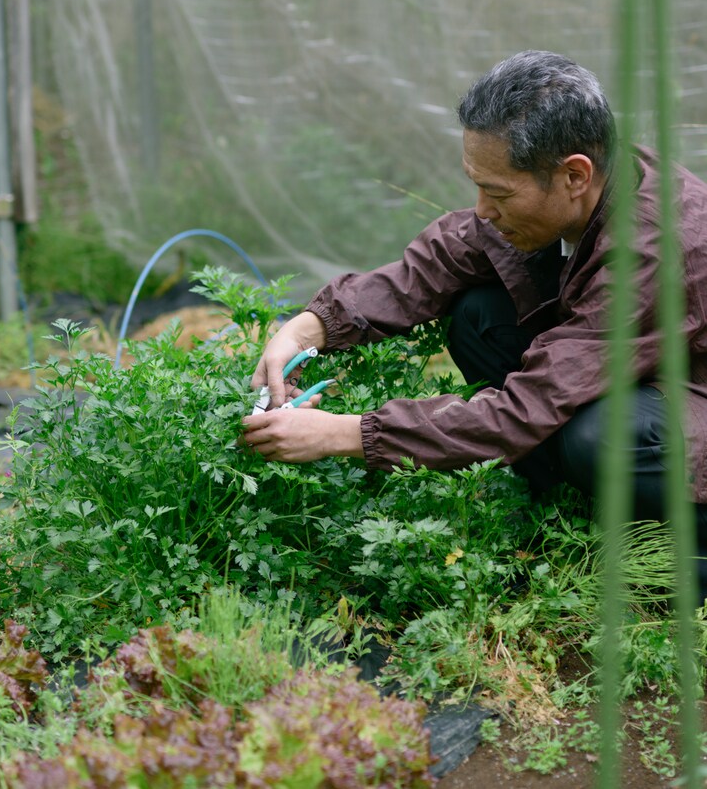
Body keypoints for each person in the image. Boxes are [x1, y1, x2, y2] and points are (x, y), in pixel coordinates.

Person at [241, 49, 707, 591]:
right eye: (477, 185)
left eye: (499, 192)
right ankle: (566, 508)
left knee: (600, 436)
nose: (482, 208)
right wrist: (309, 327)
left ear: (574, 174)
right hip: (642, 375)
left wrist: (346, 434)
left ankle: (683, 554)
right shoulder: (591, 186)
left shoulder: (652, 251)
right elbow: (446, 255)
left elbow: (523, 408)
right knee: (480, 315)